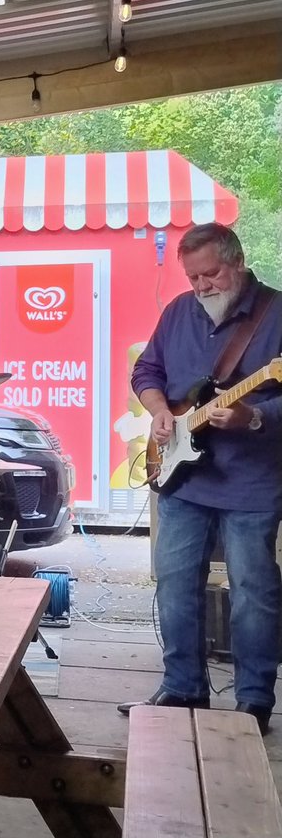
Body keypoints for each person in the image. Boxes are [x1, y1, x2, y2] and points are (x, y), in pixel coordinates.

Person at [118, 223, 282, 735]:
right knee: (174, 584)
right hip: (183, 478)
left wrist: (254, 418)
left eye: (210, 274)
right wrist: (160, 411)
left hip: (252, 482)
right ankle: (182, 685)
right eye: (192, 278)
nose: (202, 286)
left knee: (253, 590)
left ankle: (254, 700)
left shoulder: (276, 313)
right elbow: (147, 371)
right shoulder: (177, 313)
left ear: (237, 261)